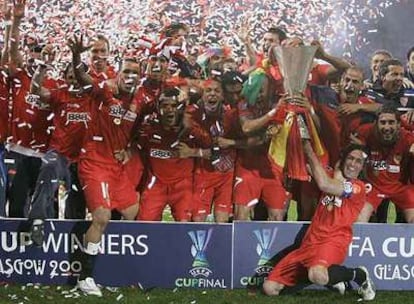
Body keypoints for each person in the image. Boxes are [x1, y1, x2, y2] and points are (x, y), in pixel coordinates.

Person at [70, 35, 142, 296]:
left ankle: (112, 268)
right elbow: (82, 77)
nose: (130, 76)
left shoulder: (139, 102)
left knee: (132, 209)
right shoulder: (104, 90)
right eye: (126, 71)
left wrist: (130, 150)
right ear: (119, 72)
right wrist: (78, 57)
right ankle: (84, 277)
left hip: (115, 166)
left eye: (135, 72)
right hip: (94, 162)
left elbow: (136, 133)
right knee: (102, 216)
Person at [263, 142, 376, 301]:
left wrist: (308, 148)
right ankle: (329, 277)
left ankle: (359, 275)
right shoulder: (329, 174)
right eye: (350, 158)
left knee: (317, 274)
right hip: (309, 243)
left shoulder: (359, 188)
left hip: (333, 241)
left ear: (363, 167)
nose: (353, 164)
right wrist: (294, 142)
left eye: (359, 161)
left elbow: (324, 184)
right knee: (270, 288)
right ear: (342, 160)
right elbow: (305, 166)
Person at [136, 87, 211, 222]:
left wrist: (193, 152)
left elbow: (216, 153)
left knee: (184, 225)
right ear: (158, 108)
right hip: (156, 184)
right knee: (145, 224)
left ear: (181, 108)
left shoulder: (192, 129)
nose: (170, 110)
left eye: (174, 106)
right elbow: (135, 149)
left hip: (183, 186)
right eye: (165, 106)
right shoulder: (148, 129)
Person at [355, 104, 414, 223]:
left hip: (401, 187)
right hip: (374, 187)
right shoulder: (365, 132)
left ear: (399, 124)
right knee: (359, 221)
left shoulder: (409, 138)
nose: (387, 127)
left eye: (391, 122)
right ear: (376, 124)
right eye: (383, 122)